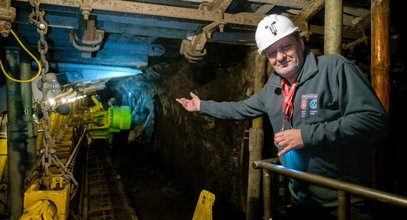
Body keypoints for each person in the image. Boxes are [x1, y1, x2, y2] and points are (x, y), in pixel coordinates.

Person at [176, 14, 388, 219]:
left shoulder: (333, 68)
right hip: (300, 195)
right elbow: (239, 108)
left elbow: (373, 119)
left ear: (301, 44)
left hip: (341, 200)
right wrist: (202, 106)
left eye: (285, 46)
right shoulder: (273, 88)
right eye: (271, 52)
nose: (279, 57)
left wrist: (306, 135)